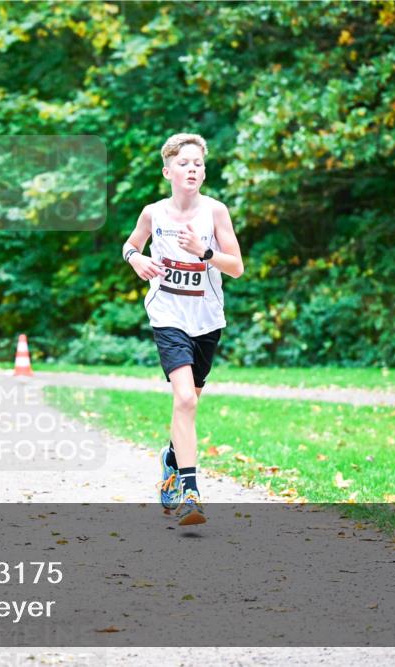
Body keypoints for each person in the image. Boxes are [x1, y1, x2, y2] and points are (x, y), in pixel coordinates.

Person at [121, 133, 244, 526]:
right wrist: (135, 260)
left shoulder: (216, 212)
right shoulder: (153, 213)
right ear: (167, 171)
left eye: (198, 164)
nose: (193, 169)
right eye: (185, 163)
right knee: (185, 400)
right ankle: (190, 491)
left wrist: (204, 253)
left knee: (191, 401)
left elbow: (237, 267)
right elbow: (130, 245)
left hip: (207, 318)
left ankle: (171, 458)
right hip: (167, 314)